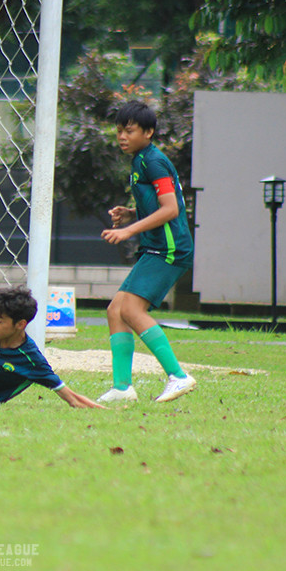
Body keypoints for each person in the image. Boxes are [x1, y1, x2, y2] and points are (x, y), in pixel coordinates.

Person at [98, 100, 196, 404]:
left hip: (169, 249)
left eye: (129, 130)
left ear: (149, 132)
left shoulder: (152, 161)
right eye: (119, 131)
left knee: (130, 310)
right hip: (157, 246)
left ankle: (178, 376)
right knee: (115, 310)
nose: (122, 137)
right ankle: (123, 388)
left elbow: (171, 209)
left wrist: (129, 230)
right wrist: (131, 213)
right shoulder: (141, 160)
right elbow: (159, 205)